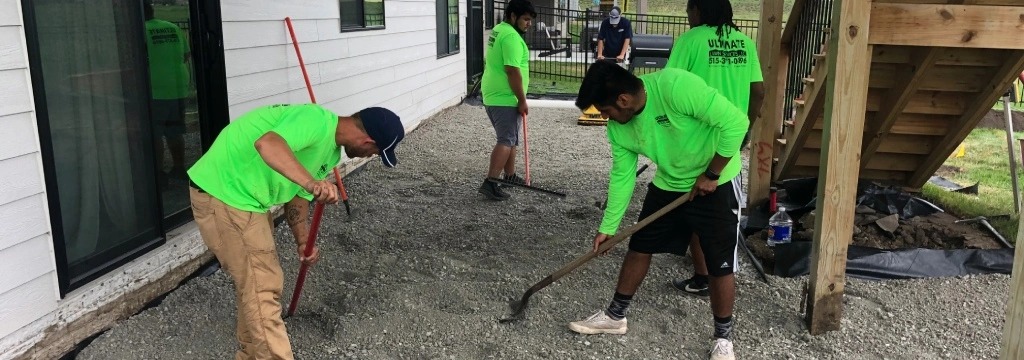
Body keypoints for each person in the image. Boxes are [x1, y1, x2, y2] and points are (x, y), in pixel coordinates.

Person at [187, 104, 405, 360]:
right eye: (376, 152)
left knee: (256, 284)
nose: (369, 157)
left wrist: (303, 241)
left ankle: (251, 354)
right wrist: (312, 183)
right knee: (263, 286)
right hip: (225, 193)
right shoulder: (315, 121)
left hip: (248, 200)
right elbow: (267, 144)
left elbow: (298, 197)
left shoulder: (331, 152)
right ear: (368, 140)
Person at [567, 61, 748, 360]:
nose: (604, 117)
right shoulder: (619, 129)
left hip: (718, 182)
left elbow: (737, 123)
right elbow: (622, 177)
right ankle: (615, 316)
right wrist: (609, 227)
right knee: (640, 245)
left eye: (605, 110)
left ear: (623, 100)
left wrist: (712, 174)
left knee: (720, 263)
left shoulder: (675, 87)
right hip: (669, 183)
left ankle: (723, 337)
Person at [664, 0, 765, 299]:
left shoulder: (690, 40)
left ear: (697, 10)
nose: (687, 18)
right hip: (727, 148)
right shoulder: (745, 43)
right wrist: (745, 127)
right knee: (723, 218)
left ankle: (702, 276)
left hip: (691, 145)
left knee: (693, 208)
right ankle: (716, 276)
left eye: (688, 12)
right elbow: (758, 92)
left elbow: (669, 86)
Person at [478, 0, 535, 201]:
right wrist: (522, 99)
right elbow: (512, 71)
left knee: (511, 138)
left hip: (494, 93)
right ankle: (491, 182)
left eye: (530, 20)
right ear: (512, 16)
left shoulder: (499, 30)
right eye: (526, 19)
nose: (529, 24)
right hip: (505, 97)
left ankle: (509, 176)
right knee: (506, 140)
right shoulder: (511, 37)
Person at [144, 1, 192, 189]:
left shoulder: (141, 30)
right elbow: (186, 55)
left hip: (156, 89)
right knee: (174, 129)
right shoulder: (172, 27)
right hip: (178, 85)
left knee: (155, 133)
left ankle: (158, 174)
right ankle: (179, 167)